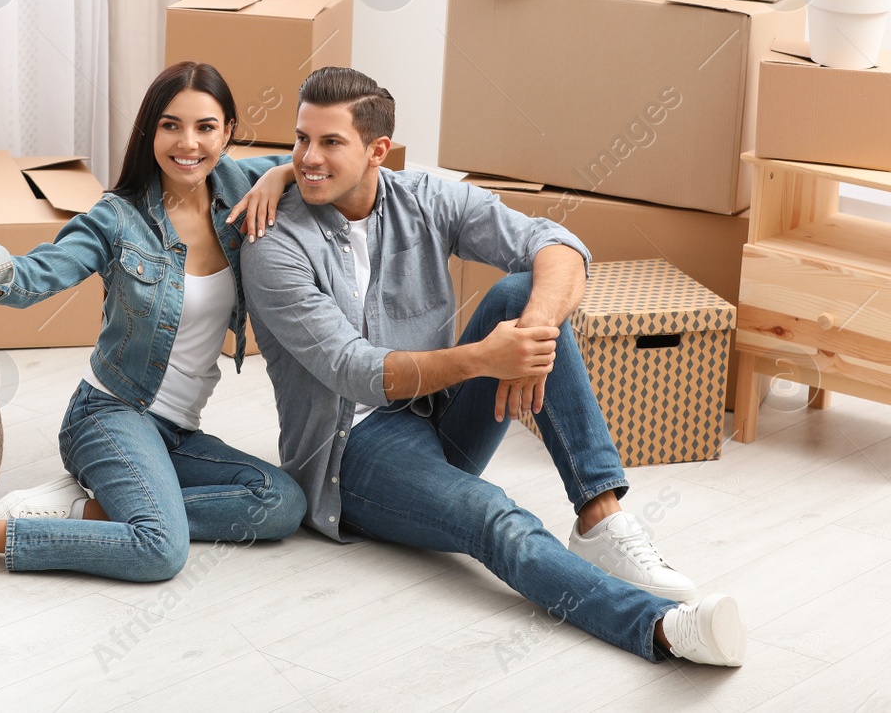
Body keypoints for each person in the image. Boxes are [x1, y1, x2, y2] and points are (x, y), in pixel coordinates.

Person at [241, 66, 748, 666]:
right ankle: (662, 628)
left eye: (329, 142)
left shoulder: (423, 199)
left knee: (522, 293)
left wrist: (530, 337)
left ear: (378, 151)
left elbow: (558, 245)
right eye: (300, 140)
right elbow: (355, 370)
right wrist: (488, 357)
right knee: (493, 516)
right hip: (350, 450)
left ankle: (600, 519)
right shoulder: (271, 240)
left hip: (437, 417)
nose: (306, 157)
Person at [0, 60, 307, 581]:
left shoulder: (243, 183)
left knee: (281, 503)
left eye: (205, 127)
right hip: (110, 415)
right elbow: (27, 281)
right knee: (160, 550)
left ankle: (82, 509)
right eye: (170, 125)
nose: (189, 143)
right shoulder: (117, 218)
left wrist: (279, 172)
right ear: (150, 131)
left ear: (228, 131)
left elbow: (316, 160)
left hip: (179, 432)